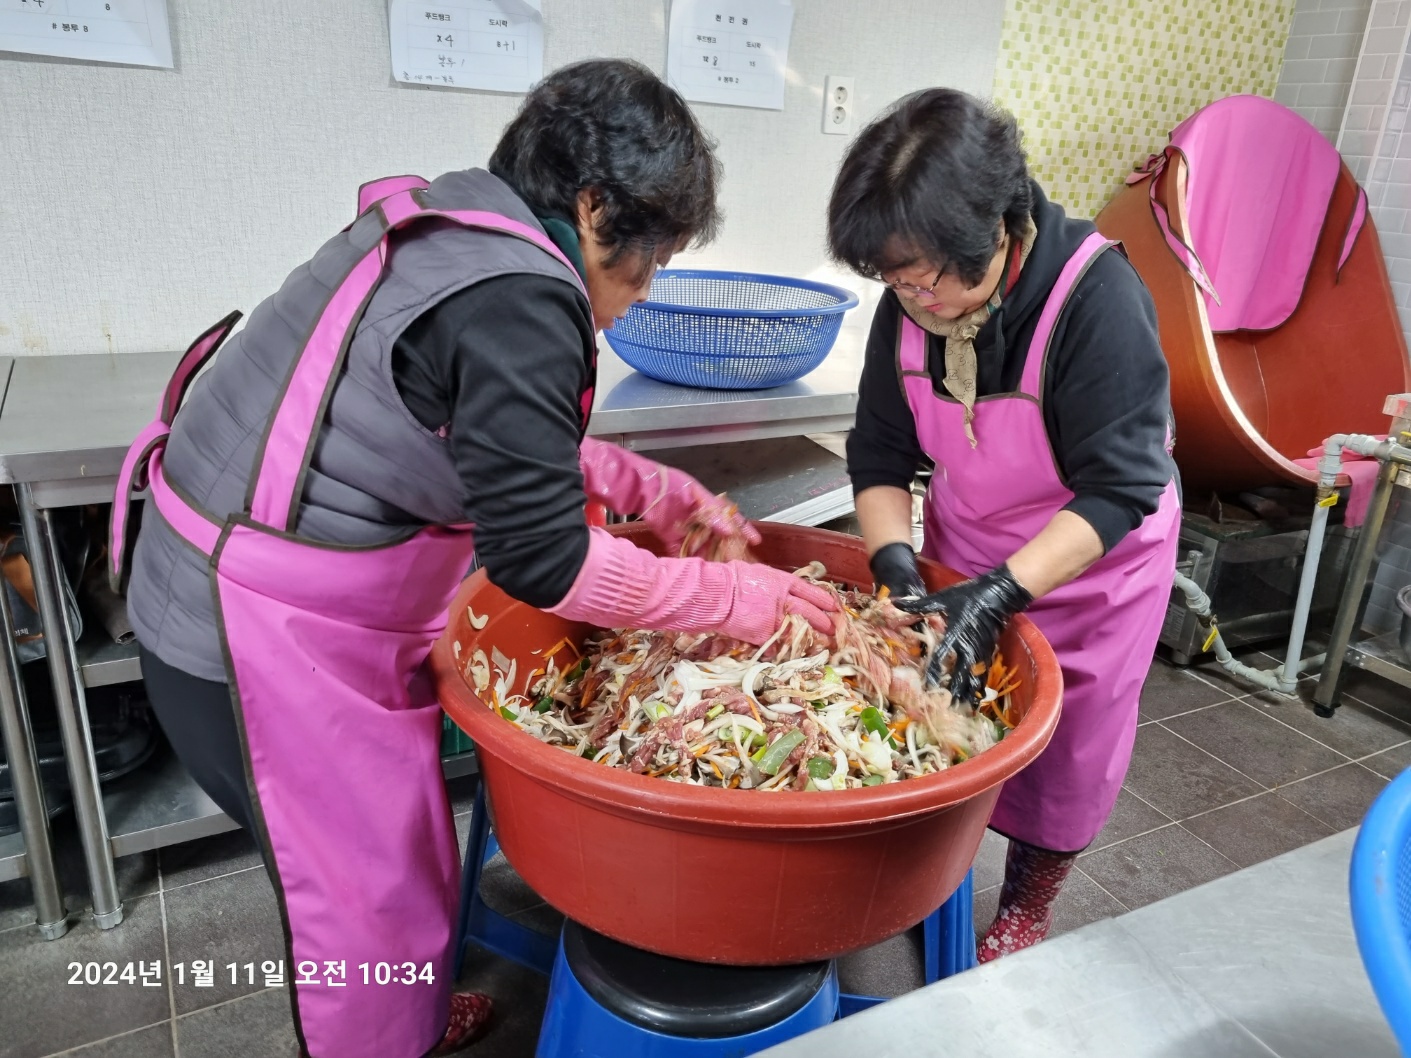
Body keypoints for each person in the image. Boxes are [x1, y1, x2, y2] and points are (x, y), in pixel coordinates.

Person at [110, 59, 835, 1058]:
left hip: (279, 609)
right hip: (245, 635)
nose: (640, 292)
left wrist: (652, 488)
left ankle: (398, 1010)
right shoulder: (519, 297)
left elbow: (490, 432)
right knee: (361, 900)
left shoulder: (462, 226)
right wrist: (740, 599)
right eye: (647, 260)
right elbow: (544, 559)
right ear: (591, 210)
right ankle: (379, 1032)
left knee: (400, 862)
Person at [828, 89, 1180, 961]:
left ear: (998, 223)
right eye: (893, 278)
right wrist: (896, 563)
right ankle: (930, 873)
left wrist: (1006, 591)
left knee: (1069, 748)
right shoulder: (908, 303)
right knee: (936, 708)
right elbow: (878, 458)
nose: (917, 296)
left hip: (1092, 559)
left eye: (932, 275)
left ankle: (1028, 900)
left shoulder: (1093, 297)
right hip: (967, 542)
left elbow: (1118, 486)